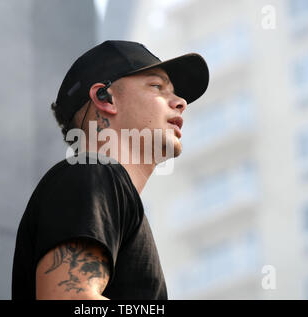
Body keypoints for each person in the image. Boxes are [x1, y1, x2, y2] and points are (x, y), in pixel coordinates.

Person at [11, 40, 209, 300]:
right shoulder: (92, 172)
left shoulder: (101, 183)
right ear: (105, 98)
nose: (181, 102)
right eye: (157, 86)